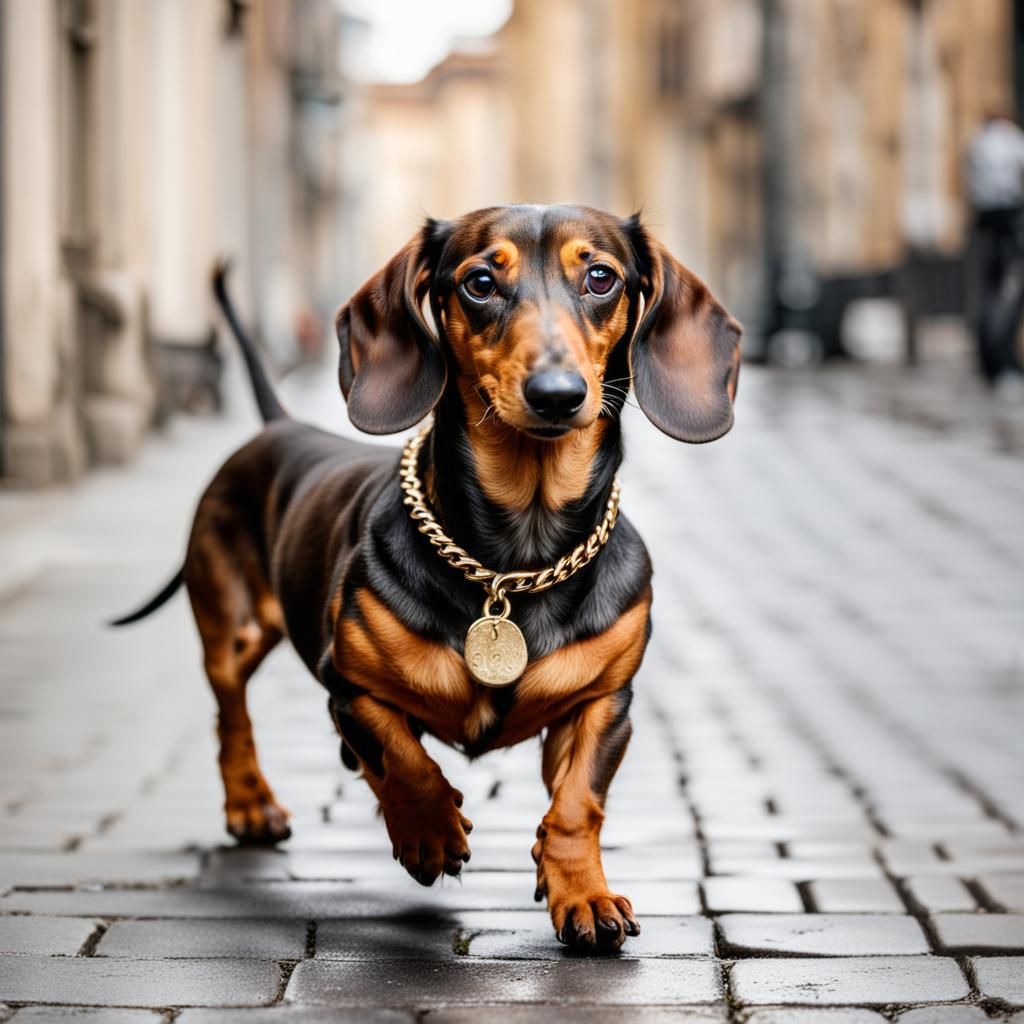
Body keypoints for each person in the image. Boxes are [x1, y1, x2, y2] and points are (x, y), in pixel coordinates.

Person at [965, 111, 1024, 394]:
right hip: (1008, 223)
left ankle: (990, 363)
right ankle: (1003, 363)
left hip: (985, 224)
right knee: (1008, 296)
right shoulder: (1012, 139)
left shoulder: (977, 142)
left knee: (989, 295)